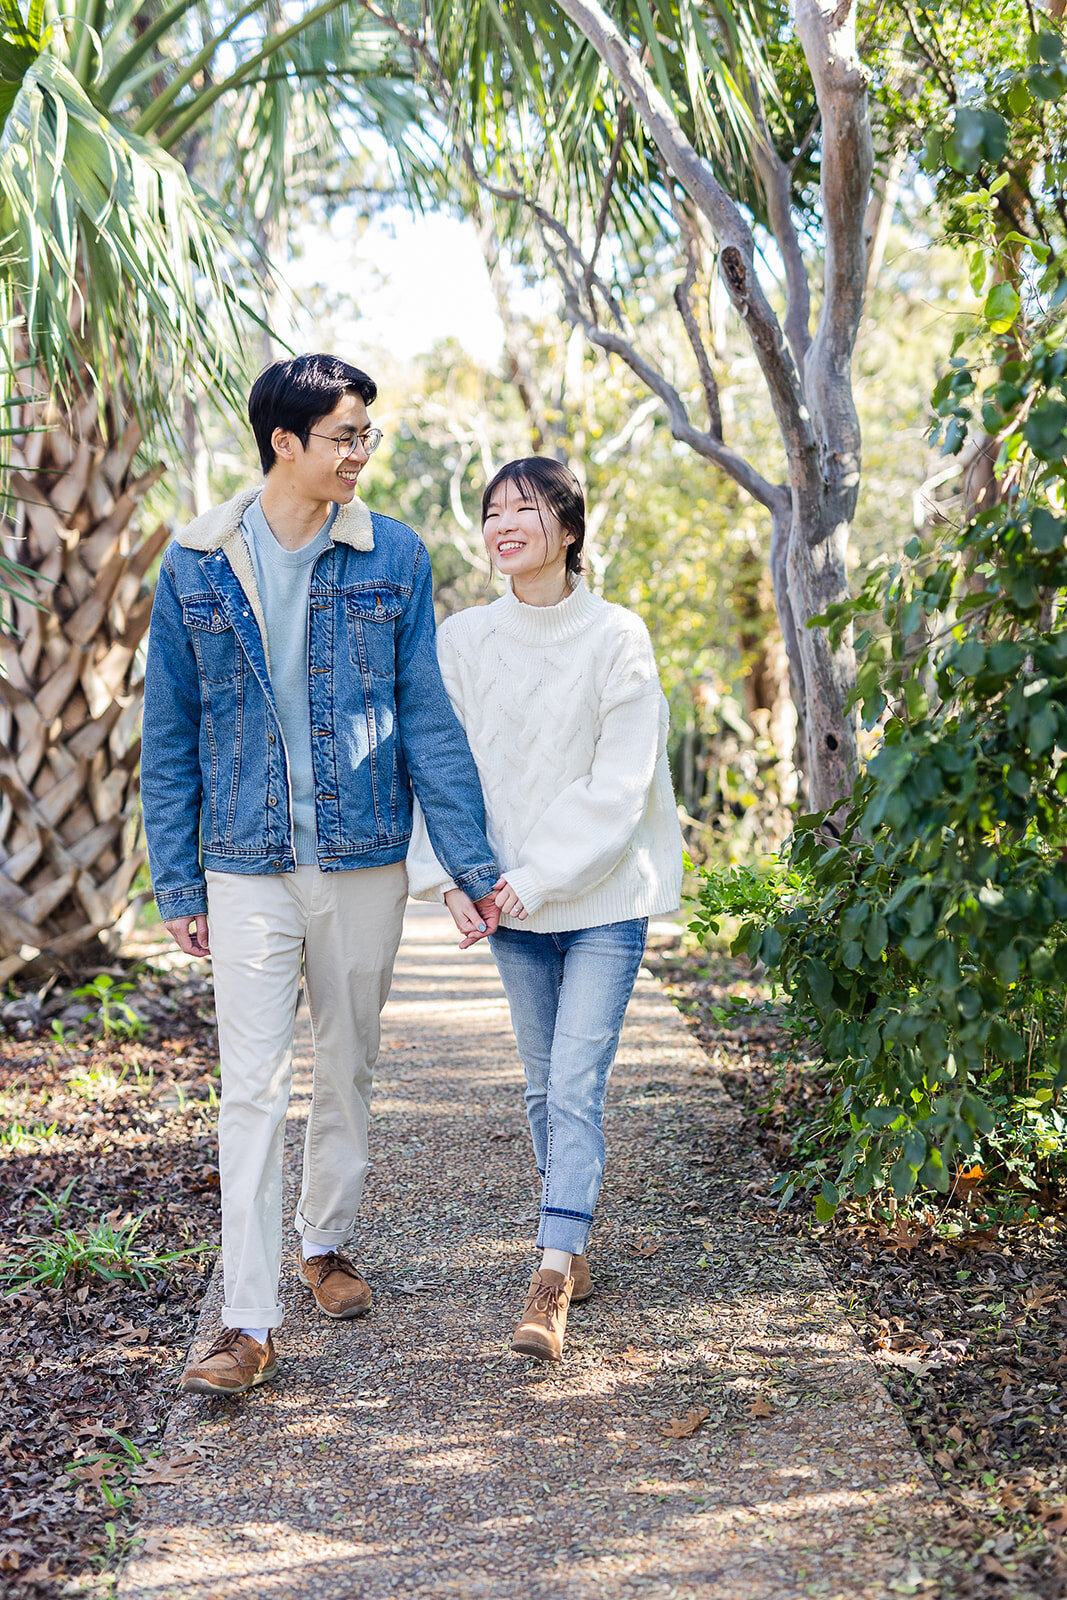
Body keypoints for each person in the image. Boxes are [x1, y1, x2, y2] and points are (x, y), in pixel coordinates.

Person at [141, 353, 500, 1396]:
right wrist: (177, 882)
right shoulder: (197, 562)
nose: (359, 454)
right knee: (249, 1089)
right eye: (344, 436)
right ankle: (245, 1321)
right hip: (242, 866)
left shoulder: (392, 554)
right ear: (283, 443)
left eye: (365, 437)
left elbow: (426, 717)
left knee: (346, 1063)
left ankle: (323, 1243)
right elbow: (171, 732)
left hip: (361, 860)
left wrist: (466, 865)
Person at [407, 457, 683, 1362]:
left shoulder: (616, 635)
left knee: (574, 1083)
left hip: (600, 896)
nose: (501, 525)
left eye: (522, 510)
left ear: (568, 529)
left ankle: (552, 1272)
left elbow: (620, 781)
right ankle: (572, 1228)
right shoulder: (462, 640)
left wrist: (533, 877)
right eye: (491, 513)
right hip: (505, 900)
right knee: (539, 1087)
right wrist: (452, 878)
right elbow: (438, 769)